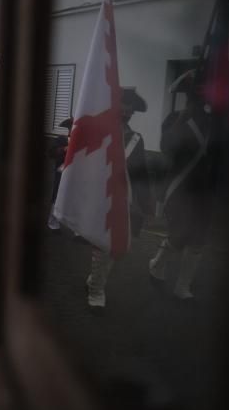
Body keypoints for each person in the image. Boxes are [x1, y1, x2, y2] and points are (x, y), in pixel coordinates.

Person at [86, 88, 154, 309]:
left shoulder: (136, 139)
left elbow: (141, 173)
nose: (127, 112)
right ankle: (96, 291)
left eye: (130, 111)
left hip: (124, 200)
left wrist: (146, 204)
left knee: (116, 248)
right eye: (124, 107)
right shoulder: (102, 133)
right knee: (101, 245)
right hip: (100, 195)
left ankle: (94, 280)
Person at [148, 71, 212, 300]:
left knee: (200, 238)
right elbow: (166, 148)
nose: (202, 97)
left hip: (203, 188)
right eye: (197, 93)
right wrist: (180, 121)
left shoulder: (213, 121)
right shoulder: (174, 118)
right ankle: (157, 265)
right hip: (179, 186)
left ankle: (182, 286)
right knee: (179, 235)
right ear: (188, 95)